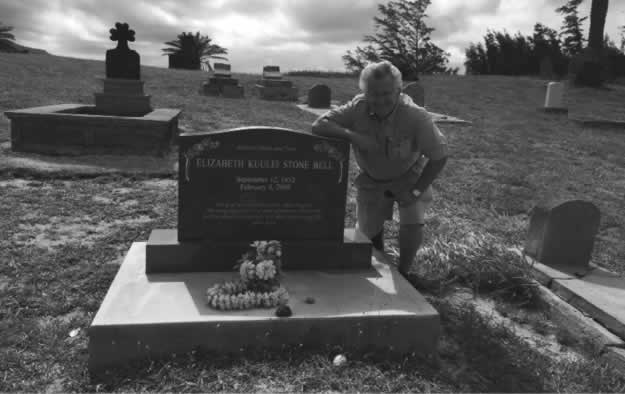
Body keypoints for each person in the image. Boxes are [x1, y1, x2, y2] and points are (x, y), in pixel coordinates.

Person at [311, 61, 448, 276]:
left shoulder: (416, 117)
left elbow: (439, 157)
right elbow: (319, 125)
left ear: (399, 91)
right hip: (372, 178)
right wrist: (354, 136)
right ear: (365, 93)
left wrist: (415, 191)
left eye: (387, 93)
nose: (380, 100)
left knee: (412, 221)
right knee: (365, 234)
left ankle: (405, 272)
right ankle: (376, 254)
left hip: (409, 174)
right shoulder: (357, 107)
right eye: (373, 94)